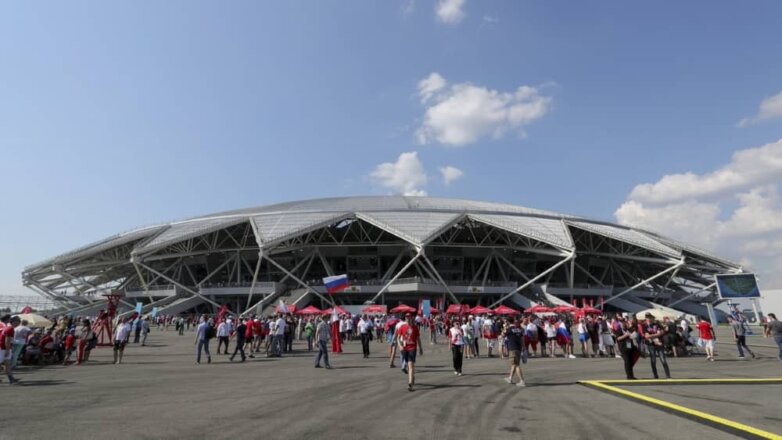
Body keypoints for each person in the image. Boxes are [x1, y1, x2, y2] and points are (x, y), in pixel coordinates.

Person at [396, 313, 423, 391]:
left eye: (409, 317)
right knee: (408, 365)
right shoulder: (402, 327)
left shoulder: (415, 328)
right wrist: (399, 345)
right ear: (405, 318)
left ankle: (410, 384)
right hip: (404, 348)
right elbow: (398, 337)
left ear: (412, 318)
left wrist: (420, 348)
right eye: (407, 317)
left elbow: (418, 339)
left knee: (410, 364)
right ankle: (412, 376)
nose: (408, 318)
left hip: (412, 348)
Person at [641, 314, 671, 379]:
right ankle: (655, 375)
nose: (648, 319)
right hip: (651, 345)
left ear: (652, 318)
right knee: (653, 360)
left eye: (649, 317)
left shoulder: (657, 324)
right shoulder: (645, 326)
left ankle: (668, 375)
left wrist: (652, 336)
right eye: (647, 318)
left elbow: (661, 332)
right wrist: (656, 336)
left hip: (659, 344)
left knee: (663, 360)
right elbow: (646, 336)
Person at [503, 318, 526, 387]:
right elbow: (522, 339)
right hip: (518, 348)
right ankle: (510, 378)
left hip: (513, 349)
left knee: (516, 365)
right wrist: (524, 347)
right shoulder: (519, 329)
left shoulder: (509, 329)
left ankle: (522, 381)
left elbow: (503, 335)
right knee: (514, 364)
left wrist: (504, 327)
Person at [1, 315, 20, 384]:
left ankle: (11, 379)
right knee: (7, 364)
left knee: (7, 364)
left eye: (19, 321)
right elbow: (7, 340)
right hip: (3, 348)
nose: (18, 323)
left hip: (4, 348)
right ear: (12, 321)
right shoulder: (10, 329)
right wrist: (7, 350)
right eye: (16, 321)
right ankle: (11, 379)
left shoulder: (8, 328)